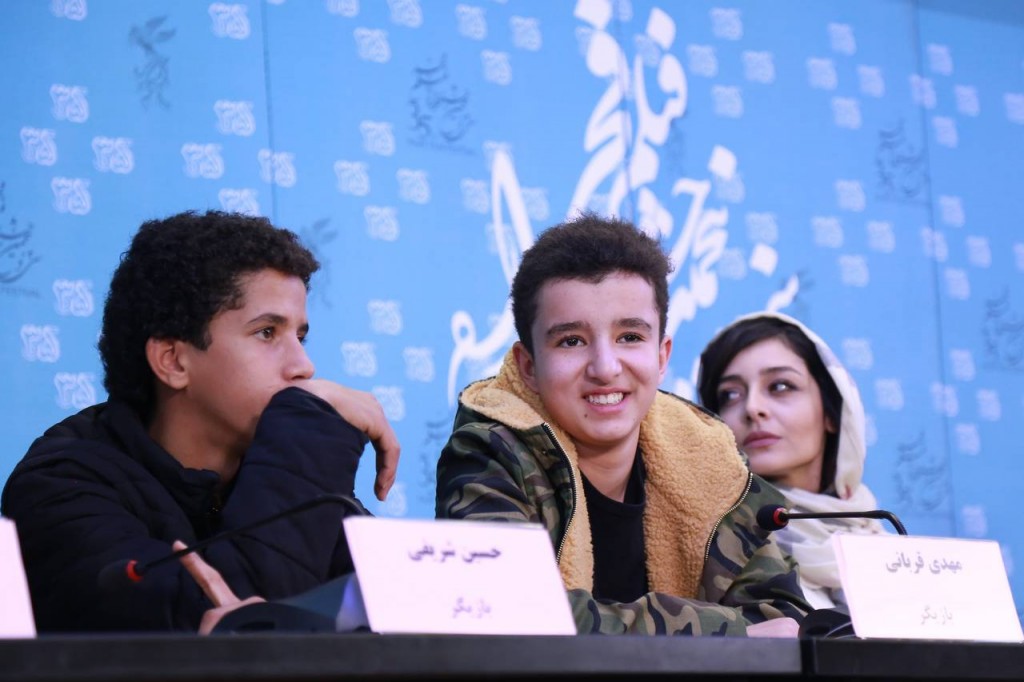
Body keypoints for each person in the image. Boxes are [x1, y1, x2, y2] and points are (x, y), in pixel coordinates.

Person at [1, 210, 400, 632]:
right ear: (173, 361)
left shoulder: (291, 477)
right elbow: (237, 629)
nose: (304, 366)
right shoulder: (60, 492)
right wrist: (308, 429)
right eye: (267, 332)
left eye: (300, 337)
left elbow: (408, 626)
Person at [435, 213, 811, 637]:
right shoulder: (489, 454)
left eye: (629, 337)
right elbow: (507, 609)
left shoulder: (710, 461)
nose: (605, 367)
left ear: (662, 356)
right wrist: (725, 635)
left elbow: (785, 620)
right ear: (528, 367)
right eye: (571, 341)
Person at [697, 311, 888, 611]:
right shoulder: (708, 545)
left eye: (780, 386)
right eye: (730, 395)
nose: (752, 408)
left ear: (831, 412)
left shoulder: (887, 548)